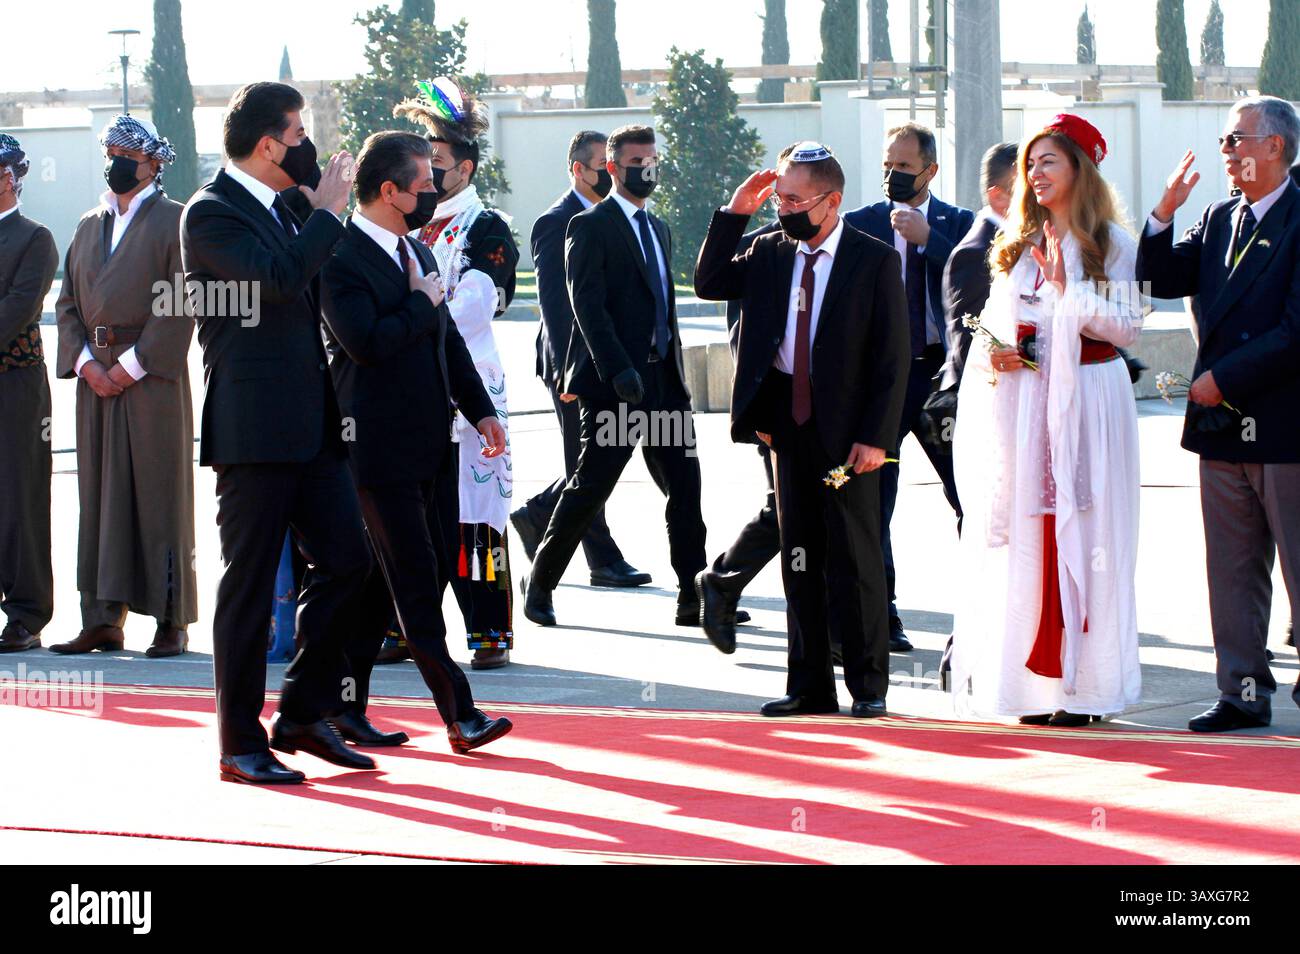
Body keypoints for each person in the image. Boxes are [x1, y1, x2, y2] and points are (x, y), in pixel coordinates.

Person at [181, 82, 374, 785]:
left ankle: (299, 713)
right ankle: (238, 742)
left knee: (350, 561)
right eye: (296, 133)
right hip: (252, 429)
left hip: (314, 426)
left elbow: (322, 276)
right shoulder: (210, 214)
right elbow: (278, 281)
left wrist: (324, 212)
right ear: (267, 144)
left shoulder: (289, 207)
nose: (306, 146)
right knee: (251, 587)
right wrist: (323, 210)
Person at [695, 142, 909, 717]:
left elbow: (893, 357)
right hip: (788, 431)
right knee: (800, 557)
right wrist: (737, 209)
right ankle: (809, 686)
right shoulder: (769, 249)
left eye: (793, 199)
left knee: (856, 557)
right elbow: (710, 281)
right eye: (777, 198)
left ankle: (868, 687)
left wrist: (877, 438)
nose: (781, 208)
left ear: (831, 202)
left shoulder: (873, 259)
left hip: (850, 440)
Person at [320, 130, 513, 753]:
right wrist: (420, 305)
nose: (435, 193)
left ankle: (342, 708)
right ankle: (460, 714)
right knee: (416, 577)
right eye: (425, 185)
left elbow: (448, 343)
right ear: (389, 191)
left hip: (432, 443)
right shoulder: (341, 257)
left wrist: (480, 410)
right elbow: (366, 344)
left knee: (384, 582)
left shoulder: (420, 254)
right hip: (373, 447)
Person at [949, 114, 1142, 726]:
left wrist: (1073, 292)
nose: (1035, 173)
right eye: (1030, 164)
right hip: (1028, 405)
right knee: (1033, 537)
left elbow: (1128, 327)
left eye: (1048, 161)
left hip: (1089, 400)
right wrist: (998, 351)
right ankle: (1037, 690)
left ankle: (1087, 688)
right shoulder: (1016, 246)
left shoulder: (1112, 242)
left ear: (1079, 169)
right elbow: (990, 326)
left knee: (1089, 539)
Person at [1136, 96, 1300, 732]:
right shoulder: (1217, 215)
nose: (1226, 151)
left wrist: (1221, 379)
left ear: (1275, 148)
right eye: (1226, 140)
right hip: (1221, 426)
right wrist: (1163, 215)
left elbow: (1295, 331)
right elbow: (1160, 277)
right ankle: (1243, 691)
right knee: (1231, 567)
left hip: (1284, 422)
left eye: (1237, 140)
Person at [522, 124, 707, 628]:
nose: (645, 171)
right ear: (612, 168)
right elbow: (586, 307)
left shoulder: (660, 228)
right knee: (591, 486)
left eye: (651, 162)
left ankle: (693, 595)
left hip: (663, 384)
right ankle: (541, 580)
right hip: (616, 389)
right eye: (634, 163)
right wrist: (617, 368)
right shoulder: (591, 226)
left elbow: (661, 306)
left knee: (685, 487)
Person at [51, 115, 196, 659]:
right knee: (99, 497)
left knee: (160, 494)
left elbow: (181, 301)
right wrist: (88, 364)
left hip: (150, 378)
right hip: (95, 381)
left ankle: (171, 619)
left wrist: (130, 366)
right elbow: (67, 304)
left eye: (125, 154)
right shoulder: (88, 224)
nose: (115, 163)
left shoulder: (174, 221)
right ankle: (101, 618)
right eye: (109, 151)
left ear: (153, 162)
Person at [395, 78, 519, 669]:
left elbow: (474, 302)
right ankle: (403, 626)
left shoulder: (484, 226)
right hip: (412, 384)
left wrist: (407, 315)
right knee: (410, 510)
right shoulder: (405, 224)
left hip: (466, 389)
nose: (426, 174)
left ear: (463, 170)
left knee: (475, 511)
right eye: (421, 164)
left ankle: (488, 628)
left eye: (436, 164)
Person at [845, 121, 973, 653]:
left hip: (941, 374)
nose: (893, 175)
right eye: (887, 165)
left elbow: (980, 278)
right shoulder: (858, 224)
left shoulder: (960, 223)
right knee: (872, 499)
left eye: (904, 166)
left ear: (930, 171)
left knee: (970, 494)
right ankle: (883, 613)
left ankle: (977, 615)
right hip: (881, 380)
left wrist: (932, 241)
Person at [512, 130, 650, 590]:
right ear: (579, 170)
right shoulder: (557, 221)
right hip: (572, 362)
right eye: (600, 167)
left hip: (611, 360)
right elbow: (557, 305)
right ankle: (601, 558)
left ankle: (538, 516)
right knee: (587, 462)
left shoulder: (621, 218)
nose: (611, 175)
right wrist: (573, 371)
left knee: (593, 459)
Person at [0, 134, 58, 654]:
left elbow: (16, 310)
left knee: (20, 499)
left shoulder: (33, 238)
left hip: (14, 387)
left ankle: (26, 614)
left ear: (12, 178)